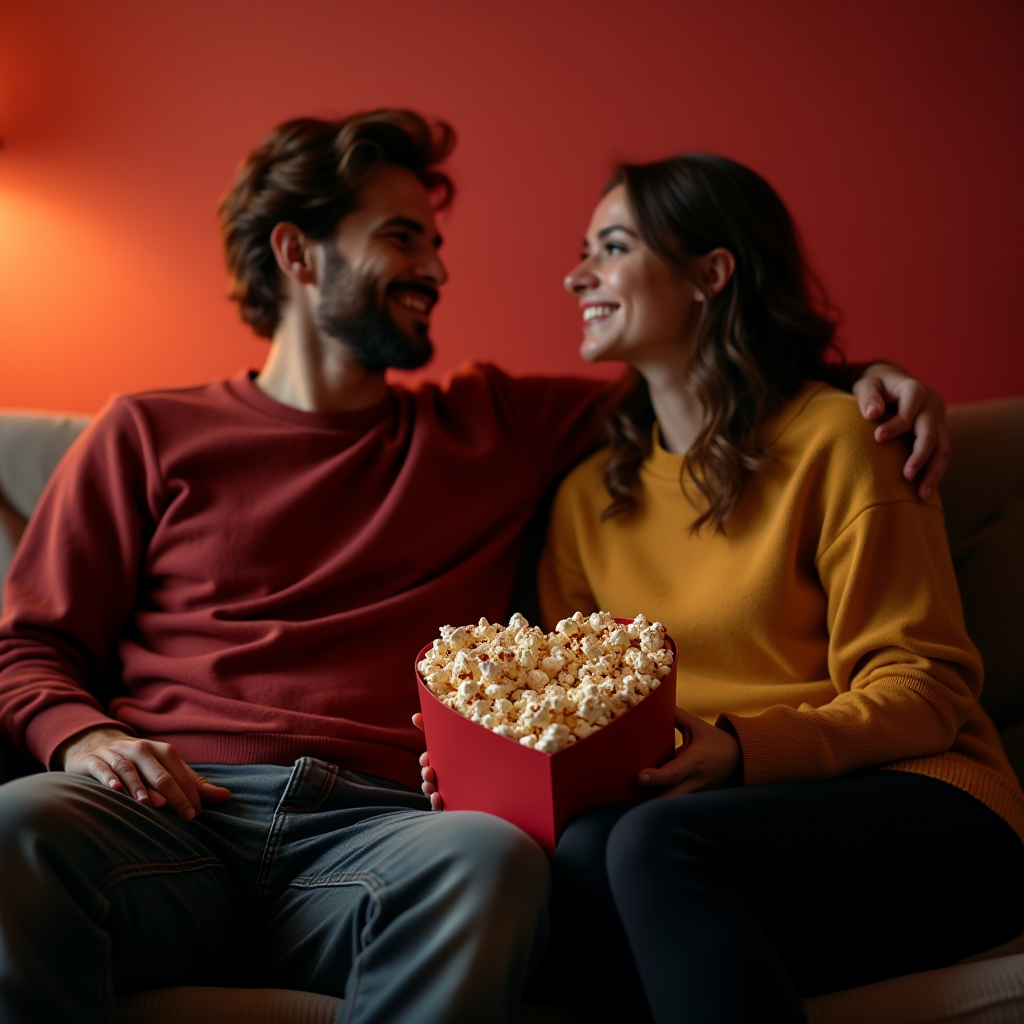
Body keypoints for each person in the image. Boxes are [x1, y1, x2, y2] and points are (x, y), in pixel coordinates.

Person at [0, 110, 948, 1024]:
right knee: (17, 828)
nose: (437, 268)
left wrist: (865, 378)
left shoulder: (494, 426)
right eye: (403, 238)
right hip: (172, 811)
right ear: (297, 255)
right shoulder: (147, 433)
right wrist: (82, 739)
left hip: (381, 835)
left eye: (434, 242)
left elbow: (702, 371)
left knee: (494, 864)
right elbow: (29, 644)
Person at [530, 153, 1024, 1023]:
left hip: (927, 803)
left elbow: (928, 686)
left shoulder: (844, 436)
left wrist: (741, 749)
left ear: (710, 275)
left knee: (648, 848)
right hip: (714, 825)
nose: (578, 275)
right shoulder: (586, 502)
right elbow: (586, 723)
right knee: (579, 859)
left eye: (611, 247)